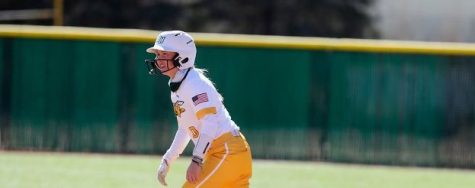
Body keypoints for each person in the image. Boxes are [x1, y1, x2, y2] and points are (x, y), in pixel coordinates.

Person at [144, 30, 252, 188]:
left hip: (227, 151)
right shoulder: (179, 84)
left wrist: (196, 160)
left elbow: (210, 122)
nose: (159, 59)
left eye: (164, 54)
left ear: (183, 56)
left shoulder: (194, 83)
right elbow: (185, 128)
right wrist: (168, 159)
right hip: (227, 153)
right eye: (158, 54)